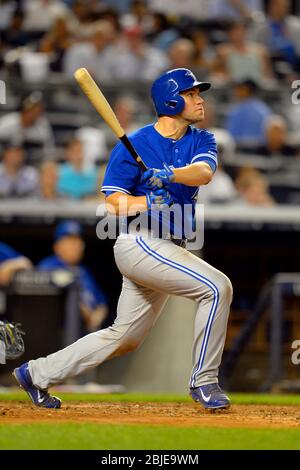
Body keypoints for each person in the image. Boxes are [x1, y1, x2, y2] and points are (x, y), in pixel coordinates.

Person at [13, 68, 233, 410]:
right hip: (140, 242)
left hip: (170, 248)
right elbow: (113, 203)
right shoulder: (135, 143)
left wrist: (168, 174)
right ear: (172, 99)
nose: (200, 99)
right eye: (192, 94)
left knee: (125, 337)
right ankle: (204, 381)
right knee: (218, 287)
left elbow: (204, 173)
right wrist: (146, 200)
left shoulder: (202, 139)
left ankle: (36, 373)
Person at [37, 221, 108, 335]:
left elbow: (101, 303)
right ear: (57, 246)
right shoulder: (48, 266)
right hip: (60, 336)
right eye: (70, 240)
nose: (77, 245)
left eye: (78, 240)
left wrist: (96, 317)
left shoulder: (84, 271)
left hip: (86, 334)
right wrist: (86, 314)